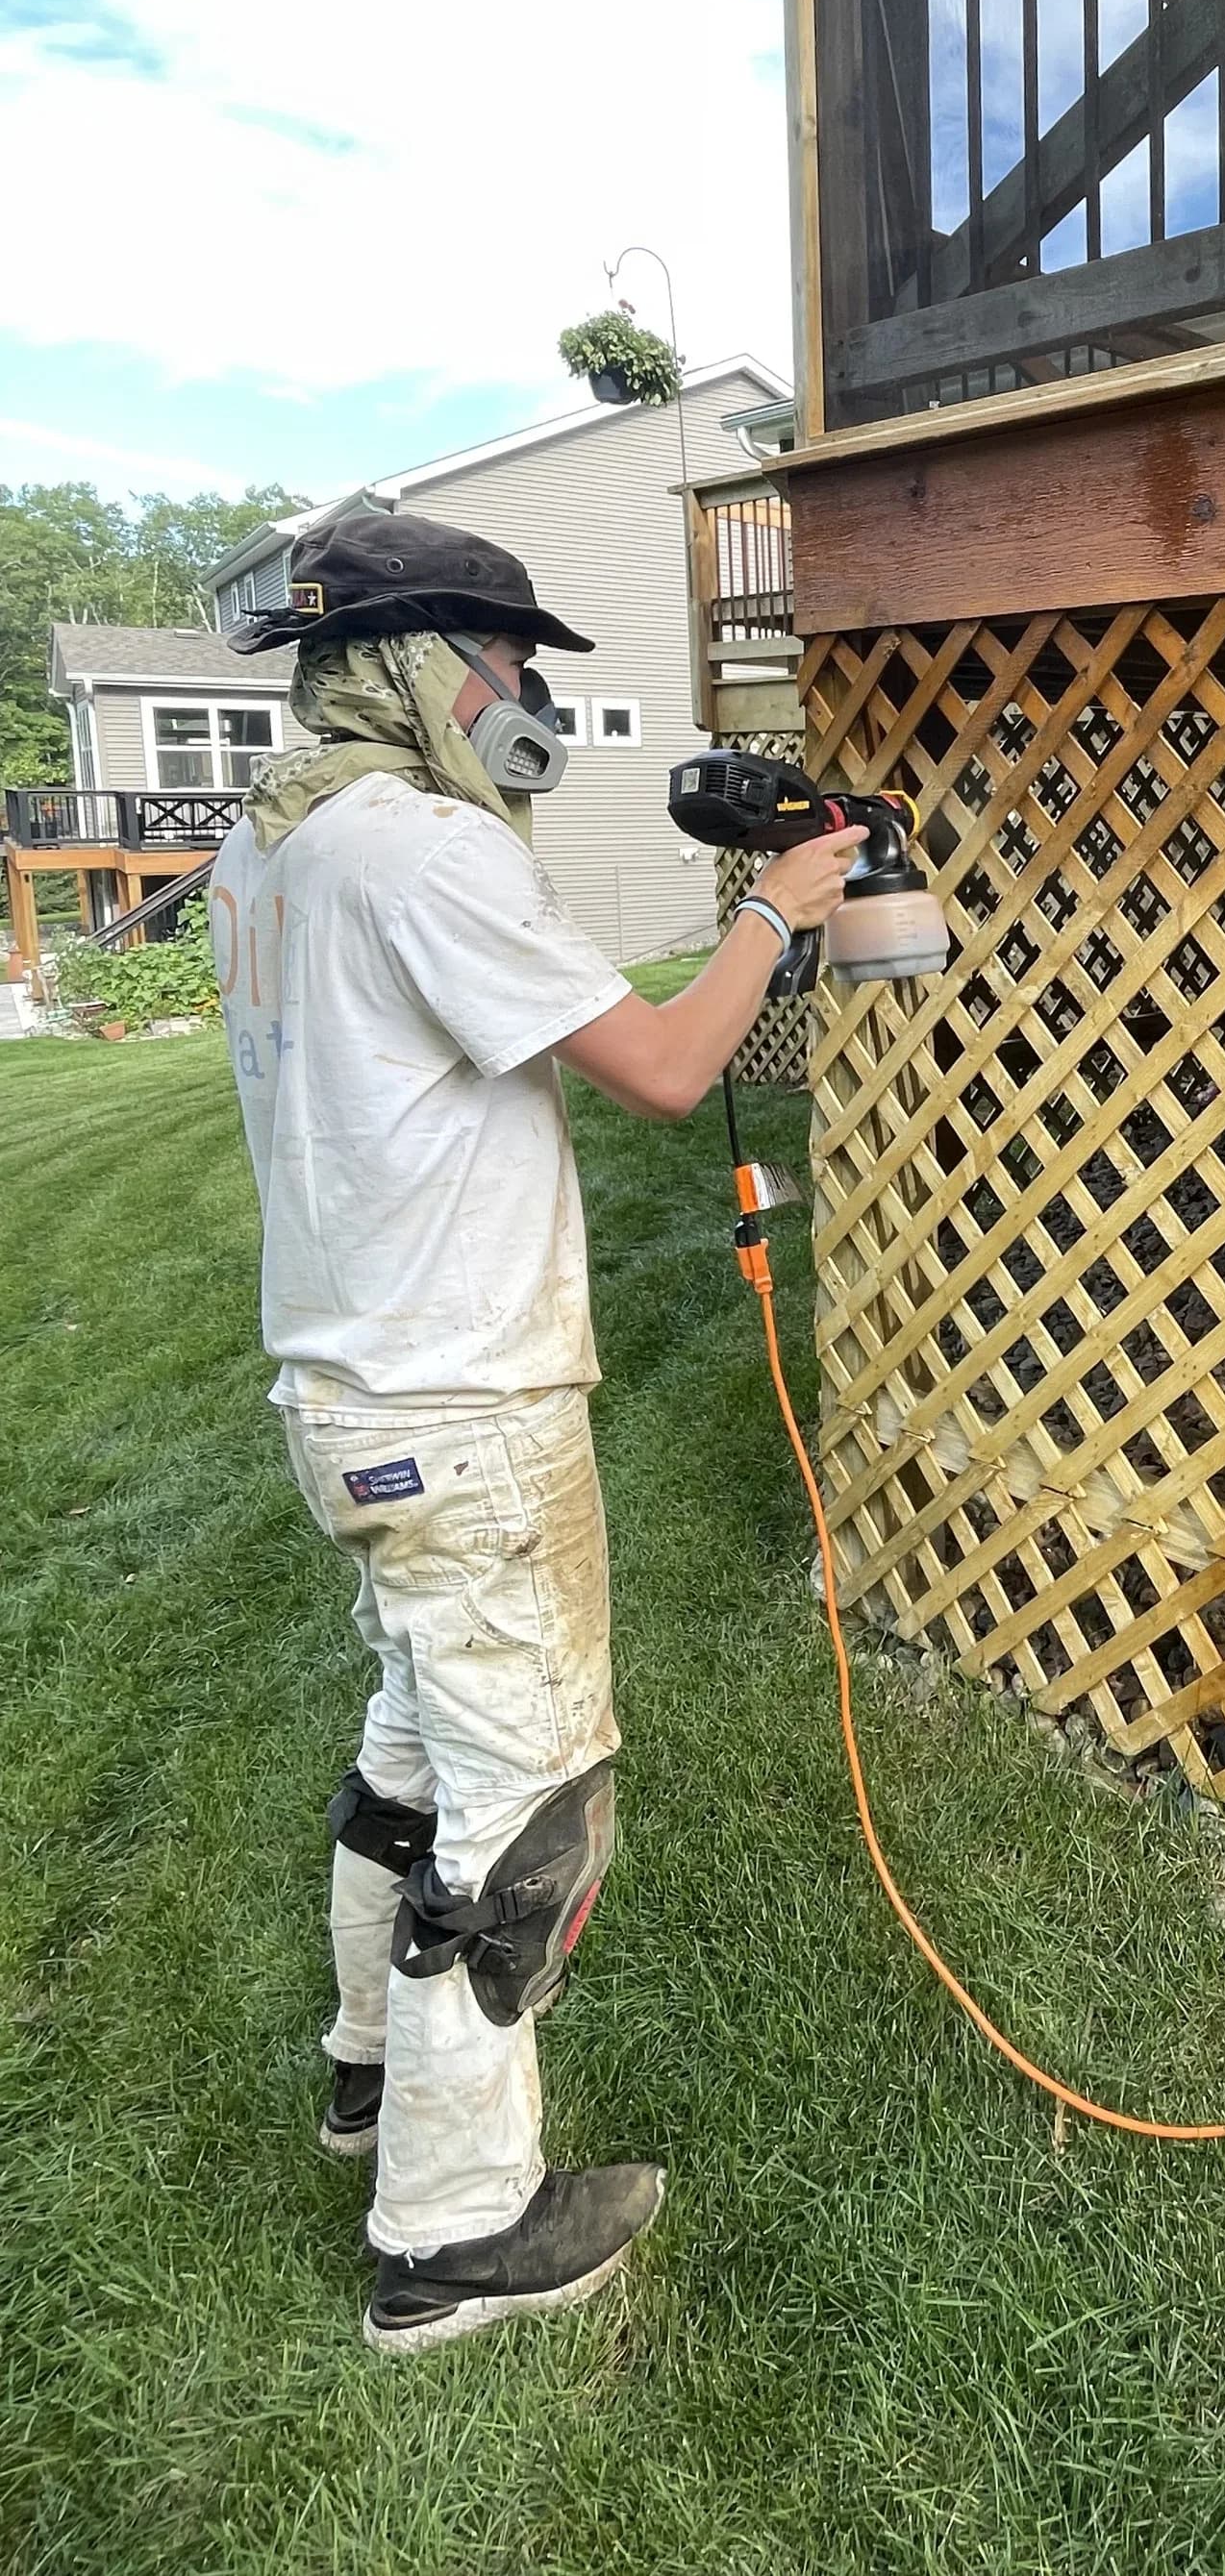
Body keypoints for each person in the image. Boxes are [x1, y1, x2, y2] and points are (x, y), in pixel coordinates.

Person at [212, 510, 856, 2353]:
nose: (536, 696)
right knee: (527, 1816)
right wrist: (775, 912)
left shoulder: (282, 850)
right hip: (466, 1410)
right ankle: (452, 2225)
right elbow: (662, 1069)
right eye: (515, 662)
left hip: (349, 1401)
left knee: (411, 1753)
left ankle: (364, 2074)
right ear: (423, 662)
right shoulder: (420, 849)